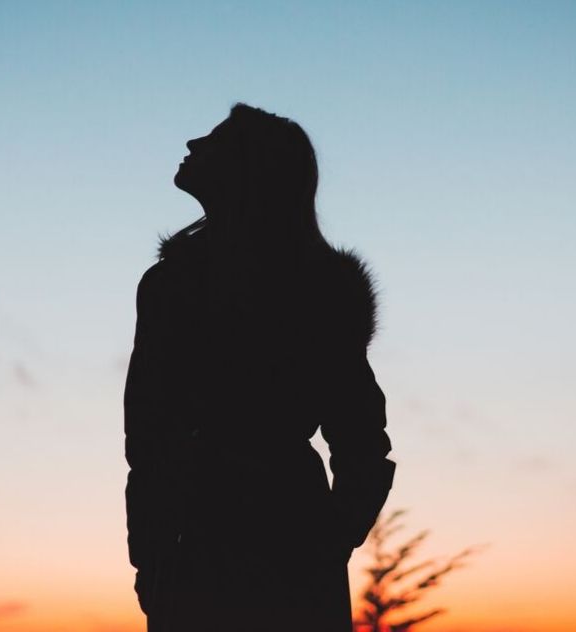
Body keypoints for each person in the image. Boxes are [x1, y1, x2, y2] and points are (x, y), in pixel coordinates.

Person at [124, 103, 396, 632]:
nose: (193, 144)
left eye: (216, 139)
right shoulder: (170, 289)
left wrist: (327, 544)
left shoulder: (318, 294)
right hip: (194, 556)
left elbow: (364, 444)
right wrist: (151, 564)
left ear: (248, 172)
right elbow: (149, 442)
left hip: (266, 559)